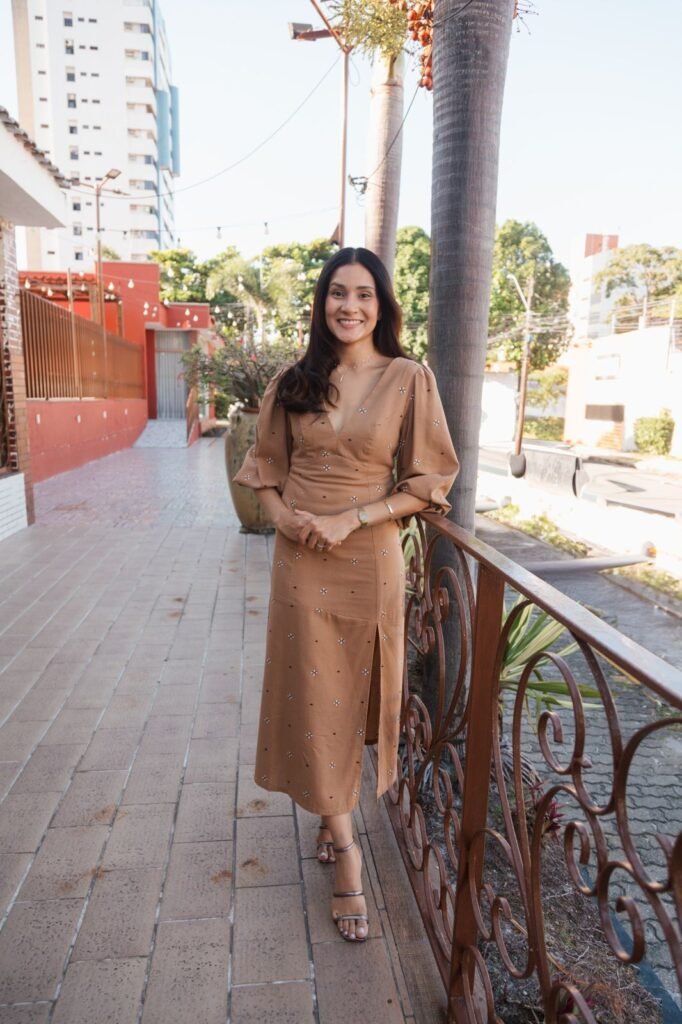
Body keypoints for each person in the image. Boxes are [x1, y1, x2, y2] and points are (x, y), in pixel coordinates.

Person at [234, 246, 458, 942]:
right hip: (302, 560)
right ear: (322, 303)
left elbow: (426, 484)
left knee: (357, 695)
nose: (349, 306)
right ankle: (347, 849)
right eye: (338, 293)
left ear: (382, 305)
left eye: (363, 294)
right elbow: (265, 469)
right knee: (314, 691)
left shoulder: (409, 378)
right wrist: (285, 520)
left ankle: (330, 810)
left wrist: (351, 518)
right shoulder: (294, 380)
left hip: (369, 558)